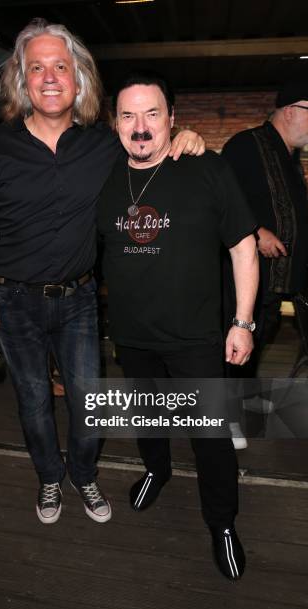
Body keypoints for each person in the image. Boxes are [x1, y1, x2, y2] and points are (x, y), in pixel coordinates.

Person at [0, 19, 204, 526]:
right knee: (32, 402)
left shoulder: (105, 144)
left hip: (79, 300)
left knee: (89, 402)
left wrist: (186, 137)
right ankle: (50, 478)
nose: (49, 77)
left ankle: (84, 475)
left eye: (60, 66)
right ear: (21, 80)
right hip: (12, 301)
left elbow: (148, 151)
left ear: (79, 78)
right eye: (36, 67)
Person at [97, 71, 259, 580]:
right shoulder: (102, 174)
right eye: (128, 115)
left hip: (196, 338)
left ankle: (222, 522)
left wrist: (243, 322)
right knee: (148, 420)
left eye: (152, 114)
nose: (140, 127)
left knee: (210, 440)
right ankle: (156, 470)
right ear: (115, 123)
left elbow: (244, 248)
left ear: (172, 119)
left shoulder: (206, 167)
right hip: (132, 334)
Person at [222, 80, 308, 381]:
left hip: (275, 283)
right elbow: (220, 202)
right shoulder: (246, 145)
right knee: (236, 350)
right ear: (290, 111)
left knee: (256, 345)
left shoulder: (288, 154)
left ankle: (237, 410)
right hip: (247, 281)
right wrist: (255, 231)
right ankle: (228, 417)